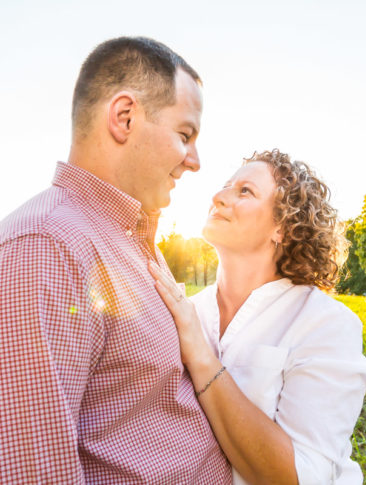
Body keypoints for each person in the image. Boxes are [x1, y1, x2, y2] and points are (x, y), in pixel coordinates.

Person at [0, 37, 231, 483]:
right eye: (185, 135)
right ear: (124, 118)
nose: (195, 162)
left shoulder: (129, 236)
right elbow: (33, 470)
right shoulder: (46, 247)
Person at [148, 149, 366, 485]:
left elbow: (304, 477)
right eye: (226, 186)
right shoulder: (188, 311)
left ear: (283, 227)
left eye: (245, 191)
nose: (218, 197)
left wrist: (200, 355)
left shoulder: (326, 323)